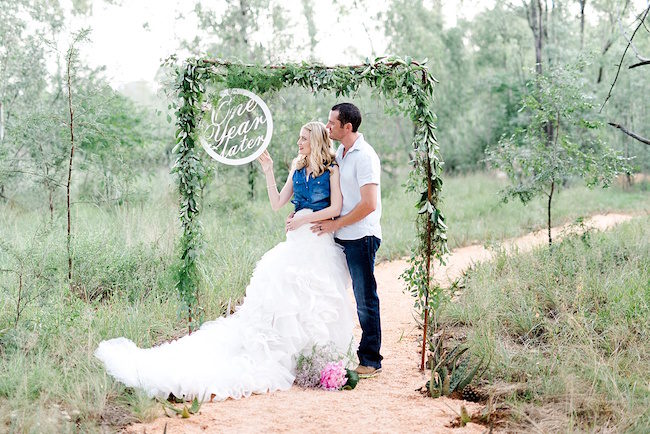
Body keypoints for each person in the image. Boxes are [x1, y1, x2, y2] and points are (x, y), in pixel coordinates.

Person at [94, 121, 355, 401]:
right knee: (283, 302)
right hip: (295, 242)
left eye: (303, 139)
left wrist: (305, 217)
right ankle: (292, 359)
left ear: (315, 140)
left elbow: (336, 208)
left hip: (318, 241)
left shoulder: (332, 169)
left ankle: (314, 359)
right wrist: (268, 170)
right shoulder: (297, 168)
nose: (298, 143)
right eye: (299, 138)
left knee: (316, 304)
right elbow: (277, 203)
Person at [312, 103, 383, 378]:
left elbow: (369, 204)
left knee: (365, 299)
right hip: (340, 236)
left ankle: (371, 360)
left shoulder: (365, 156)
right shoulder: (340, 153)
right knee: (335, 295)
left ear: (347, 127)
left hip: (361, 236)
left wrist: (335, 224)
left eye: (332, 123)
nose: (327, 127)